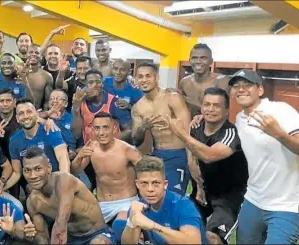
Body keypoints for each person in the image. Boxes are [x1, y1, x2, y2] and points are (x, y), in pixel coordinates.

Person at [166, 87, 248, 244]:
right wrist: (199, 187)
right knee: (180, 229)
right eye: (207, 104)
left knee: (212, 238)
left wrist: (181, 133)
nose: (210, 109)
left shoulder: (231, 133)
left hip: (228, 198)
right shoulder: (196, 126)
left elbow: (209, 156)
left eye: (216, 106)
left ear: (226, 111)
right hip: (201, 193)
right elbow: (192, 159)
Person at [228, 69, 299, 244]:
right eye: (236, 86)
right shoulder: (239, 118)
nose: (241, 89)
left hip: (287, 205)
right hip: (253, 200)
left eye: (247, 85)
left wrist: (278, 134)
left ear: (260, 90)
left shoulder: (280, 110)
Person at [22, 147, 114, 244]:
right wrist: (32, 236)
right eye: (27, 170)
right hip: (71, 239)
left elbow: (61, 223)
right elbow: (43, 238)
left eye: (38, 169)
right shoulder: (32, 202)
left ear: (49, 167)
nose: (33, 176)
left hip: (96, 234)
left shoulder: (64, 180)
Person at [130, 62, 193, 195]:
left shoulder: (172, 97)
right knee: (154, 196)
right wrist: (143, 127)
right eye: (140, 76)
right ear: (136, 80)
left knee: (173, 197)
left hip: (178, 154)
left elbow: (188, 131)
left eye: (148, 76)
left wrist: (191, 161)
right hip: (157, 155)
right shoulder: (138, 107)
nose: (144, 80)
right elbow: (136, 140)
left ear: (157, 78)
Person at [71, 112, 142, 225]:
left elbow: (146, 172)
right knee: (77, 227)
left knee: (120, 226)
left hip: (126, 203)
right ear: (92, 130)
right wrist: (79, 157)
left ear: (114, 129)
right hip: (102, 204)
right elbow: (75, 171)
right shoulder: (91, 147)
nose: (101, 133)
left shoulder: (127, 150)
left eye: (105, 128)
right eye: (97, 128)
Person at [119, 156, 207, 244]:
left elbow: (194, 242)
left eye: (155, 183)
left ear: (165, 184)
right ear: (137, 184)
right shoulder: (138, 207)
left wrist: (153, 226)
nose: (150, 189)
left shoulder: (183, 206)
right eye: (144, 183)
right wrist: (131, 221)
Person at [10, 98, 70, 173]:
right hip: (32, 182)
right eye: (21, 113)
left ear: (36, 114)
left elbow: (63, 158)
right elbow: (17, 173)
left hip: (54, 180)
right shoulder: (14, 140)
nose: (25, 116)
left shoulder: (50, 130)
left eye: (29, 112)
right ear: (17, 119)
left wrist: (64, 179)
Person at [71, 70, 130, 144]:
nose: (95, 85)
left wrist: (111, 143)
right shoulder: (80, 102)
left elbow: (128, 131)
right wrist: (76, 108)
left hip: (111, 150)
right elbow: (76, 134)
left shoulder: (114, 102)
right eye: (90, 82)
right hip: (90, 150)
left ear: (102, 84)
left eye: (98, 82)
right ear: (85, 85)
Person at [178, 43, 230, 118]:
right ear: (190, 60)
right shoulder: (184, 82)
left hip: (216, 126)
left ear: (211, 61)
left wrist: (185, 99)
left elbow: (221, 110)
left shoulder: (222, 81)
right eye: (194, 58)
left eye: (203, 58)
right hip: (192, 126)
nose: (198, 61)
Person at [24, 45, 54, 110]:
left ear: (41, 57)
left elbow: (47, 101)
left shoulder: (47, 76)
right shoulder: (19, 72)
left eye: (37, 53)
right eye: (31, 52)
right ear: (26, 55)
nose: (33, 54)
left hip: (37, 113)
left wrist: (45, 115)